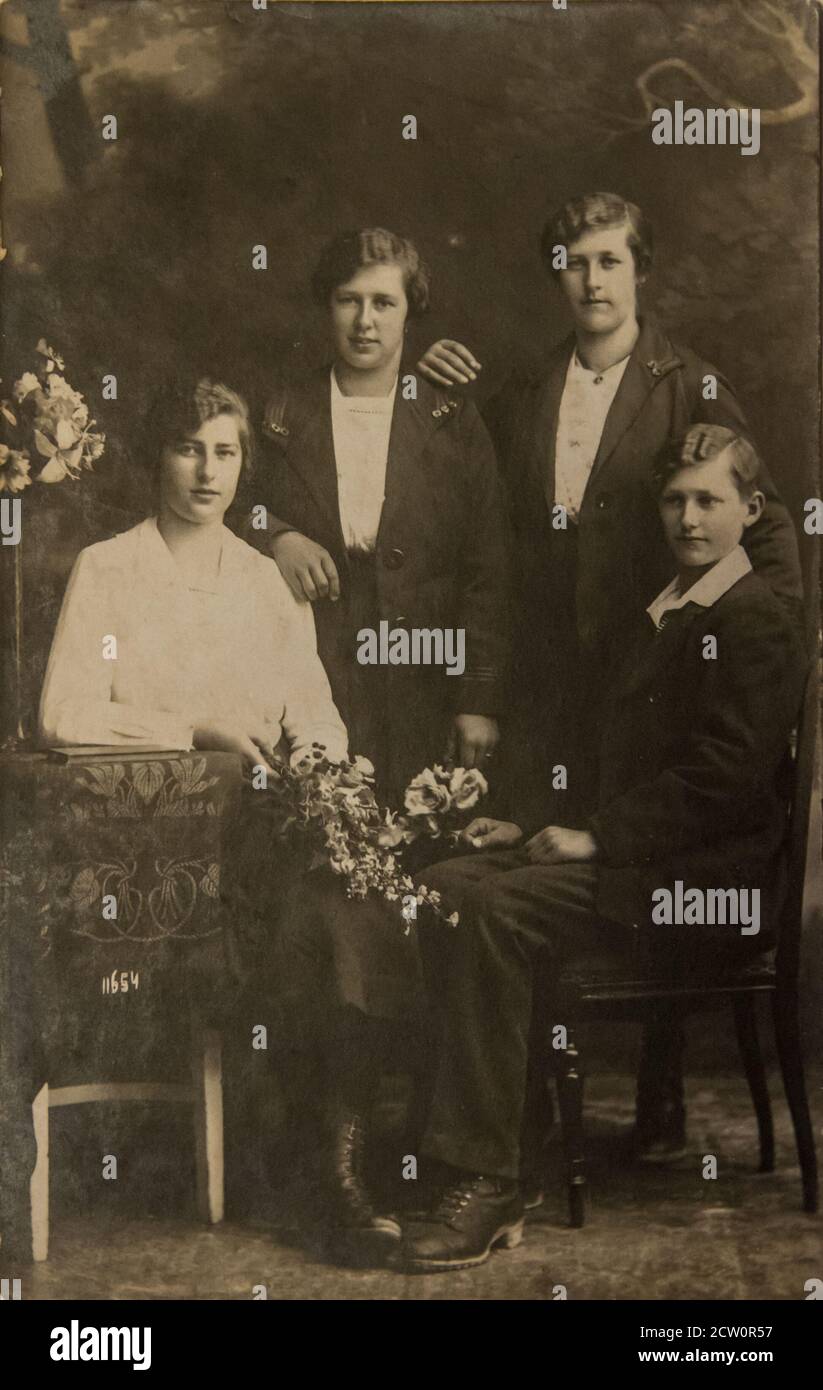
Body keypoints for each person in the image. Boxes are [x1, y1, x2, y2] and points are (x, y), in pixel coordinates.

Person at [416, 191, 804, 1161]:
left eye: (608, 261)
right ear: (557, 275)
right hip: (562, 688)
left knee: (585, 869)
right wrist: (429, 385)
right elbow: (484, 534)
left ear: (638, 272)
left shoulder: (692, 385)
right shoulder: (524, 388)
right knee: (518, 868)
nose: (591, 279)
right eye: (573, 262)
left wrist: (752, 637)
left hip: (672, 667)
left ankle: (651, 1101)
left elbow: (765, 525)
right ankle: (526, 1116)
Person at [394, 424, 807, 1272]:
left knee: (497, 907)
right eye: (673, 499)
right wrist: (526, 821)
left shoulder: (756, 619)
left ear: (750, 510)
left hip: (698, 887)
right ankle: (506, 1143)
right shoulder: (665, 608)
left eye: (708, 500)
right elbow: (604, 763)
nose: (687, 518)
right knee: (438, 883)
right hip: (635, 859)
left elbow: (720, 779)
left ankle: (487, 1183)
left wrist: (598, 837)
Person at [245, 226, 510, 805]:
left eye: (384, 303)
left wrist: (478, 698)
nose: (365, 321)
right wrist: (279, 536)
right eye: (349, 300)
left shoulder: (450, 417)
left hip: (426, 665)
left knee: (419, 837)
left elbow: (488, 565)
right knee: (325, 829)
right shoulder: (281, 411)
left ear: (410, 314)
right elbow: (237, 507)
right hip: (318, 660)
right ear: (328, 307)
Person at [39, 375, 347, 769]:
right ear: (158, 457)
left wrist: (314, 781)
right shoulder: (107, 567)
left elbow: (317, 719)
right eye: (189, 450)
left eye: (224, 453)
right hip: (139, 815)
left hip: (257, 811)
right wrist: (193, 730)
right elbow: (63, 715)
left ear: (243, 463)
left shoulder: (268, 582)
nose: (207, 472)